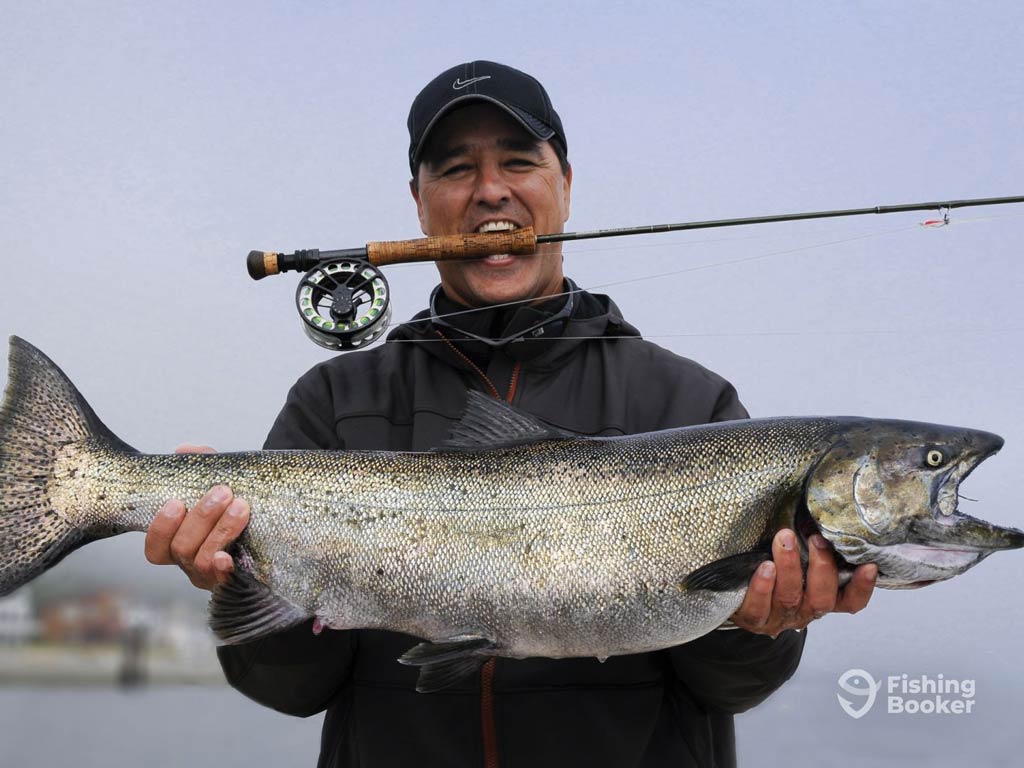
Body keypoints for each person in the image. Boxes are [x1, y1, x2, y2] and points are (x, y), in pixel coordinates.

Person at [145, 61, 877, 767]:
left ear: (565, 183)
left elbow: (733, 688)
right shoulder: (332, 402)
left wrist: (759, 628)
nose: (490, 190)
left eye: (520, 161)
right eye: (457, 168)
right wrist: (242, 576)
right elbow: (289, 688)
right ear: (418, 199)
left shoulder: (692, 403)